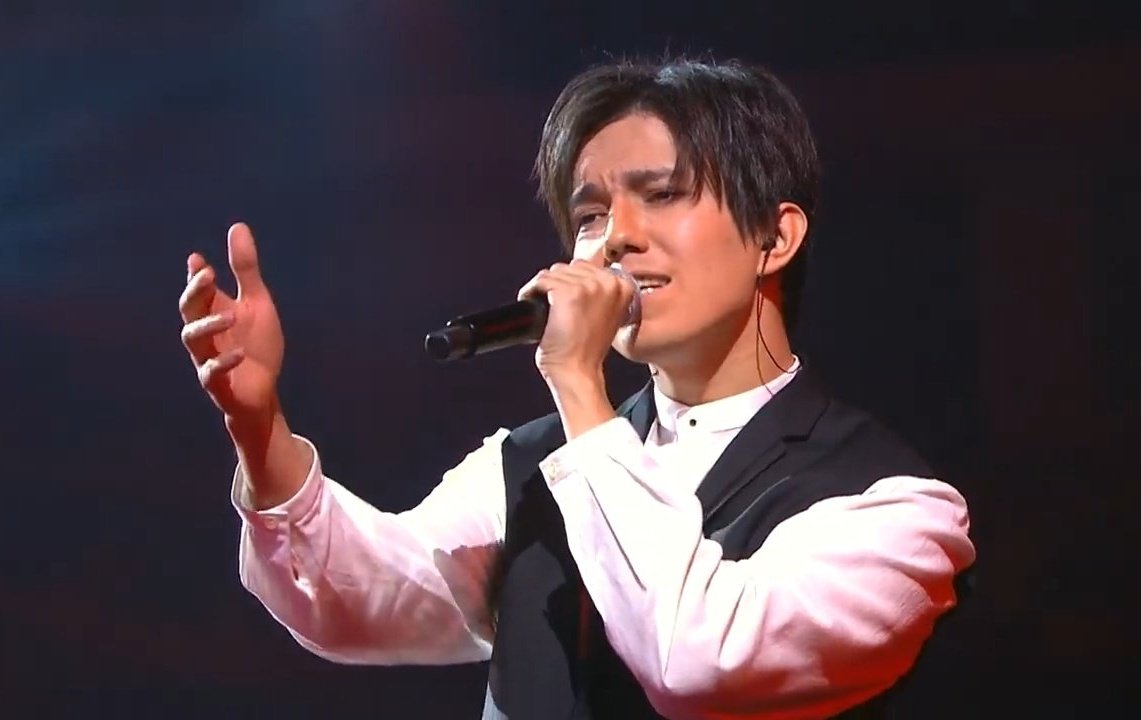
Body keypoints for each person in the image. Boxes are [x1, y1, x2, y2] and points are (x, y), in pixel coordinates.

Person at [178, 56, 975, 719]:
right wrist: (260, 427)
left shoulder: (895, 510)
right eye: (590, 215)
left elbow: (700, 662)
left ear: (774, 235)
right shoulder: (531, 464)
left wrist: (575, 381)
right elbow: (357, 602)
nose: (614, 239)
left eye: (660, 195)